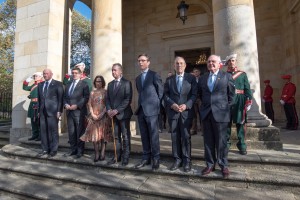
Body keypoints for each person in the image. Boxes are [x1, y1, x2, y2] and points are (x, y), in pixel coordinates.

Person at [198, 54, 235, 178]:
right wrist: (202, 108)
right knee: (208, 141)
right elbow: (199, 95)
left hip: (221, 114)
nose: (210, 63)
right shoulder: (202, 78)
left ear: (219, 63)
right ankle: (210, 164)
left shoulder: (226, 76)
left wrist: (225, 109)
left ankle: (223, 165)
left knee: (221, 142)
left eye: (213, 61)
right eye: (208, 62)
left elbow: (232, 96)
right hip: (206, 114)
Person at [164, 57, 197, 172]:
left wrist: (186, 105)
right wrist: (172, 104)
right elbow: (165, 95)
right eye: (177, 63)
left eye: (181, 63)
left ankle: (187, 160)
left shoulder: (191, 78)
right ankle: (177, 159)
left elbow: (194, 95)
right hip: (173, 113)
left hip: (186, 113)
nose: (179, 65)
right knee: (175, 137)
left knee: (186, 137)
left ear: (185, 65)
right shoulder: (169, 79)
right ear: (174, 66)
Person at [134, 53, 163, 170]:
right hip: (141, 111)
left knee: (154, 135)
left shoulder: (154, 75)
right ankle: (146, 157)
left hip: (152, 111)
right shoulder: (137, 78)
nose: (140, 62)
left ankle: (156, 158)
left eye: (143, 60)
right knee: (144, 136)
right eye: (139, 61)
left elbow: (160, 92)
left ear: (148, 62)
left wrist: (156, 107)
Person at [106, 63, 133, 166]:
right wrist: (108, 109)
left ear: (120, 71)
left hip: (123, 114)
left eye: (115, 70)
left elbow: (128, 99)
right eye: (112, 70)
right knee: (116, 137)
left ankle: (126, 157)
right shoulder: (110, 84)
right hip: (113, 115)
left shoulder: (127, 83)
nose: (113, 72)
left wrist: (117, 110)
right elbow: (107, 99)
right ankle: (117, 156)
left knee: (125, 136)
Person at [226, 53, 252, 155]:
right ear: (227, 63)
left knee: (240, 123)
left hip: (240, 100)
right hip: (228, 101)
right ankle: (226, 145)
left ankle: (242, 145)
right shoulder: (224, 75)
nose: (231, 63)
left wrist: (249, 100)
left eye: (233, 61)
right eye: (229, 61)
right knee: (227, 123)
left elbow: (247, 88)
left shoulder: (242, 74)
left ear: (235, 62)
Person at [80, 75, 111, 162]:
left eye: (100, 81)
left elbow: (107, 104)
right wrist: (92, 114)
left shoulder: (106, 92)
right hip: (94, 116)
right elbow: (89, 104)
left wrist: (102, 113)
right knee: (95, 135)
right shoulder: (92, 93)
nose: (98, 83)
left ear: (102, 82)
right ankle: (97, 153)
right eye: (97, 81)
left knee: (103, 135)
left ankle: (102, 153)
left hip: (103, 116)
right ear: (95, 82)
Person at [64, 67, 90, 158]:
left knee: (79, 131)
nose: (74, 74)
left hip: (79, 112)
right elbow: (65, 97)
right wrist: (65, 104)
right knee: (71, 132)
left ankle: (80, 151)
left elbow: (86, 97)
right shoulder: (68, 84)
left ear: (80, 74)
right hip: (69, 112)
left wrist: (77, 105)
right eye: (73, 73)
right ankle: (73, 150)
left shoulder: (84, 84)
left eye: (76, 73)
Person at [37, 69, 64, 157]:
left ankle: (53, 149)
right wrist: (38, 111)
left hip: (53, 111)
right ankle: (45, 149)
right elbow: (39, 99)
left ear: (51, 74)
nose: (45, 75)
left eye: (47, 73)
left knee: (53, 131)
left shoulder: (58, 84)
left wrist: (59, 111)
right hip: (42, 111)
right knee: (43, 131)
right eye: (44, 73)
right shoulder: (40, 85)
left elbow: (60, 99)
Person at [23, 72, 43, 141]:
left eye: (36, 76)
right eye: (34, 76)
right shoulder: (33, 85)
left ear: (41, 77)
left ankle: (40, 135)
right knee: (32, 119)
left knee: (39, 120)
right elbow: (25, 87)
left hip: (39, 103)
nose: (35, 77)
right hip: (32, 103)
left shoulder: (43, 84)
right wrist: (29, 79)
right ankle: (35, 134)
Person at [190, 68, 201, 135]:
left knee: (202, 114)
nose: (195, 73)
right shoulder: (192, 80)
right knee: (194, 115)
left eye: (197, 71)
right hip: (194, 99)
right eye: (194, 72)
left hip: (200, 99)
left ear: (199, 72)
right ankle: (194, 129)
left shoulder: (202, 79)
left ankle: (203, 130)